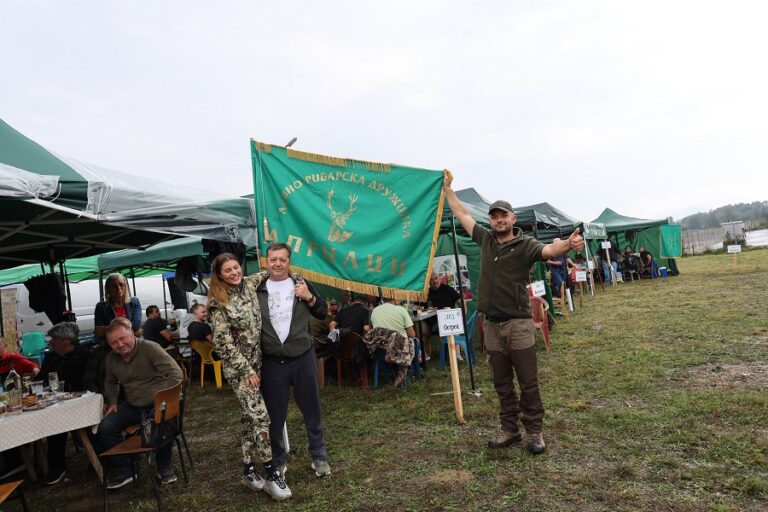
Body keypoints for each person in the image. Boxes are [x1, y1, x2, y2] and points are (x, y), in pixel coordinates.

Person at [443, 170, 584, 454]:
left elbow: (548, 250)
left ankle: (534, 432)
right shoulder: (484, 238)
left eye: (503, 215)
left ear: (512, 219)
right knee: (502, 381)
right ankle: (510, 430)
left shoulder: (525, 244)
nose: (499, 220)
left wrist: (568, 244)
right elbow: (460, 213)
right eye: (495, 216)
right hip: (491, 325)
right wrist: (448, 189)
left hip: (518, 323)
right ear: (491, 220)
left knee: (528, 380)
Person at [206, 253, 291, 500]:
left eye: (236, 267)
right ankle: (272, 472)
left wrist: (295, 276)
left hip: (260, 363)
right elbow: (223, 345)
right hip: (241, 371)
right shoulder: (216, 303)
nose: (234, 272)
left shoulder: (250, 283)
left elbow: (275, 269)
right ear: (219, 275)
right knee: (261, 417)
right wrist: (247, 371)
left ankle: (248, 469)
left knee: (248, 417)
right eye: (228, 270)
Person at [255, 242, 331, 479]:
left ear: (289, 261)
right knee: (275, 415)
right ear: (266, 261)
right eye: (273, 259)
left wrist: (309, 297)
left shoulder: (302, 284)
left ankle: (318, 456)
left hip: (302, 357)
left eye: (283, 259)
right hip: (272, 361)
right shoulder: (255, 289)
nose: (278, 263)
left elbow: (322, 313)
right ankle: (277, 461)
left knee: (312, 409)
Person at [97, 318, 183, 489]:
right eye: (114, 342)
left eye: (123, 338)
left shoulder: (150, 348)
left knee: (161, 422)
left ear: (132, 334)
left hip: (157, 401)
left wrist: (166, 397)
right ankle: (127, 469)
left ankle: (164, 466)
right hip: (133, 404)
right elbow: (110, 381)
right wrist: (113, 401)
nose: (120, 345)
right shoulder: (111, 359)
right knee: (106, 427)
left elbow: (175, 373)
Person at [36, 322, 91, 484]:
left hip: (79, 402)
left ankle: (56, 468)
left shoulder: (84, 357)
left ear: (66, 340)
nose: (51, 341)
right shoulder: (51, 357)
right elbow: (40, 380)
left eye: (54, 338)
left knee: (56, 422)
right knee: (53, 419)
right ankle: (52, 467)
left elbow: (89, 383)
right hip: (51, 403)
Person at [86, 273, 143, 394]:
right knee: (103, 369)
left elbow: (137, 324)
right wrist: (126, 330)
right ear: (108, 289)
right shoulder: (101, 306)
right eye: (114, 286)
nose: (119, 288)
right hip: (111, 346)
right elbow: (98, 331)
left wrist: (109, 329)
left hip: (133, 344)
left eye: (121, 285)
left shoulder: (134, 302)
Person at [368, 297, 417, 387]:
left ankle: (388, 374)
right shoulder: (401, 310)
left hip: (381, 352)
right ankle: (411, 372)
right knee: (415, 342)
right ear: (394, 298)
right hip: (399, 352)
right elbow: (411, 334)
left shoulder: (375, 310)